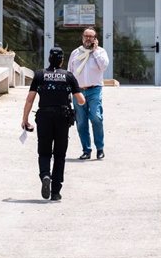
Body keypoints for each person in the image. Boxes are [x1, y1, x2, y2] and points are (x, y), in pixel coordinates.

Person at [21, 47, 85, 201]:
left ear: (49, 59)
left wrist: (25, 119)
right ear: (62, 60)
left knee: (44, 152)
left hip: (44, 116)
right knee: (59, 154)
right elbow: (81, 100)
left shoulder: (40, 75)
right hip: (62, 117)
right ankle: (56, 191)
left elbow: (30, 99)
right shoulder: (68, 76)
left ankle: (45, 175)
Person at [68, 27, 109, 160]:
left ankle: (100, 148)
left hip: (94, 90)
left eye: (91, 36)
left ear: (95, 38)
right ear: (82, 37)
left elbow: (104, 66)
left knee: (96, 117)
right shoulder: (75, 53)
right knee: (81, 122)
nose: (88, 39)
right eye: (86, 36)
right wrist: (69, 91)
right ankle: (86, 150)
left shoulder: (101, 52)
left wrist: (95, 51)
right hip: (78, 91)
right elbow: (70, 72)